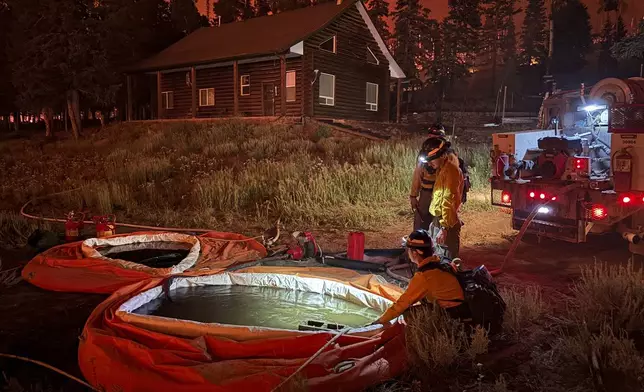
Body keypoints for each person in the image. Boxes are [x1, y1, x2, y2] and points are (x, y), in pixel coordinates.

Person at [370, 230, 468, 326]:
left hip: (454, 314)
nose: (408, 253)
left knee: (409, 313)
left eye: (408, 250)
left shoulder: (424, 275)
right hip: (463, 307)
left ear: (415, 253)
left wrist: (380, 321)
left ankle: (437, 331)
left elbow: (402, 304)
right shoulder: (440, 261)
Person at [425, 137, 464, 259]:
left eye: (432, 160)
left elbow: (448, 201)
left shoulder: (451, 171)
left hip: (446, 222)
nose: (430, 163)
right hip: (438, 219)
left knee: (447, 260)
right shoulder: (442, 170)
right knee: (437, 255)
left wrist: (444, 228)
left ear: (442, 155)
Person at [409, 124, 447, 231]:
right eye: (431, 136)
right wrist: (413, 195)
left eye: (435, 136)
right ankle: (419, 243)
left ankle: (437, 244)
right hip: (426, 193)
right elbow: (418, 174)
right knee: (421, 220)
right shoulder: (424, 153)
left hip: (442, 193)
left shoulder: (447, 154)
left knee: (439, 222)